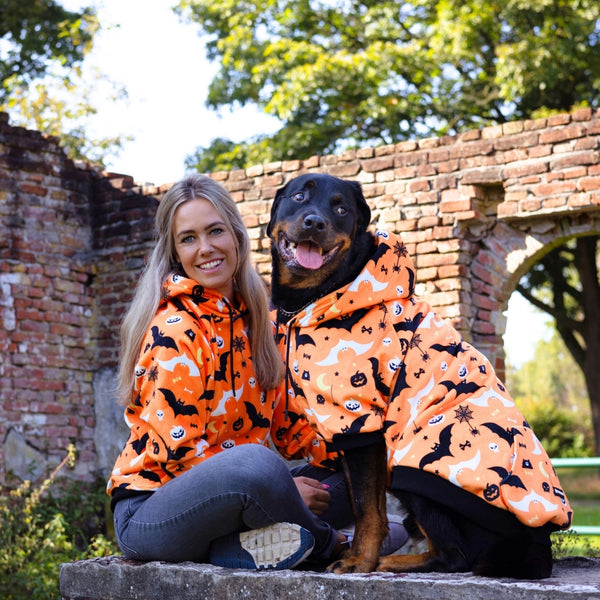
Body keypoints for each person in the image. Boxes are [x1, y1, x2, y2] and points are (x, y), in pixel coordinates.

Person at [107, 174, 406, 571]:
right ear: (176, 252)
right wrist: (287, 493)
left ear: (237, 236)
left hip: (247, 497)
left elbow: (292, 430)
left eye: (215, 231)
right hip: (153, 512)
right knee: (257, 465)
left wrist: (379, 448)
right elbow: (177, 455)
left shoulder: (260, 324)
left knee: (353, 464)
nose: (206, 248)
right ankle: (327, 542)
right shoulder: (174, 329)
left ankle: (243, 548)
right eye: (189, 238)